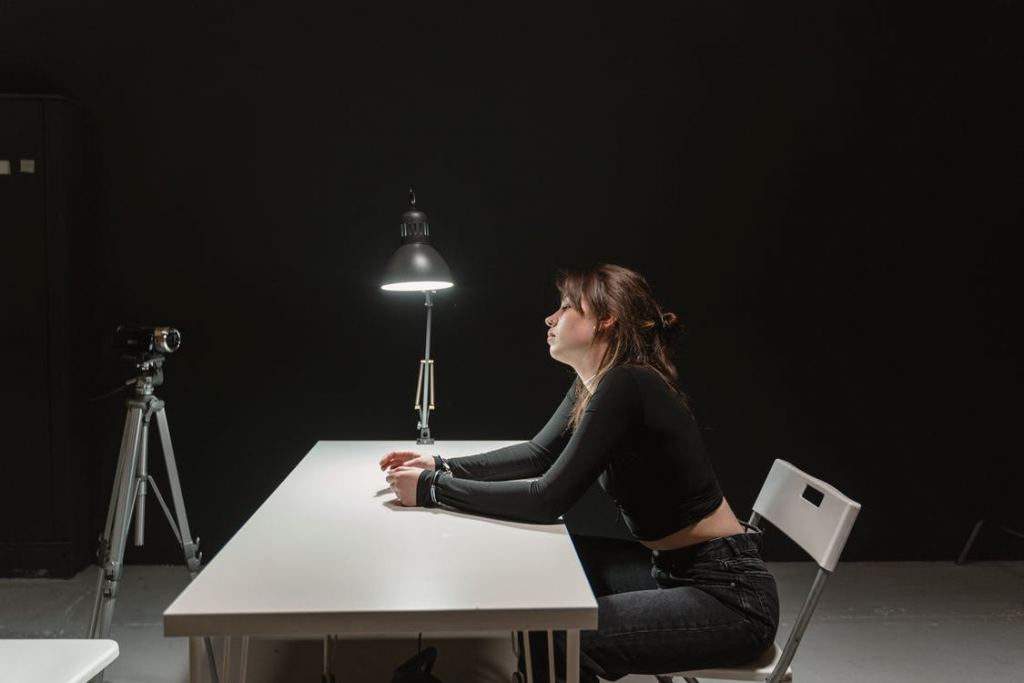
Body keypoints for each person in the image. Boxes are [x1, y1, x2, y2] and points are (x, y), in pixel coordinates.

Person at [380, 264, 779, 682]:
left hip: (729, 596)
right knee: (541, 573)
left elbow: (546, 498)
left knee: (561, 637)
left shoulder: (628, 383)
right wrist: (441, 466)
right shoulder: (599, 381)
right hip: (670, 568)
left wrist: (432, 490)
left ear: (606, 320)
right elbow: (538, 455)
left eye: (567, 307)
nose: (550, 318)